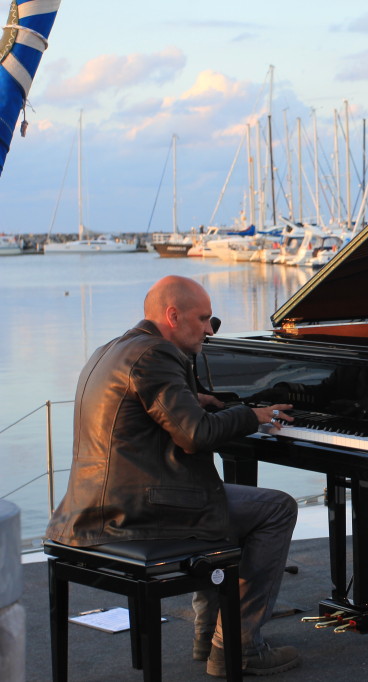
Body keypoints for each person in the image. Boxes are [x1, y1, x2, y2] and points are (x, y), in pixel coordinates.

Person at [46, 275, 301, 677]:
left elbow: (151, 407)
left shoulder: (113, 349)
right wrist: (250, 415)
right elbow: (195, 435)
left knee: (220, 499)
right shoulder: (157, 356)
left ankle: (209, 636)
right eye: (204, 319)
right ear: (172, 315)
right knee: (275, 509)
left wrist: (194, 400)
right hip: (132, 516)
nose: (209, 329)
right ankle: (238, 646)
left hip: (89, 509)